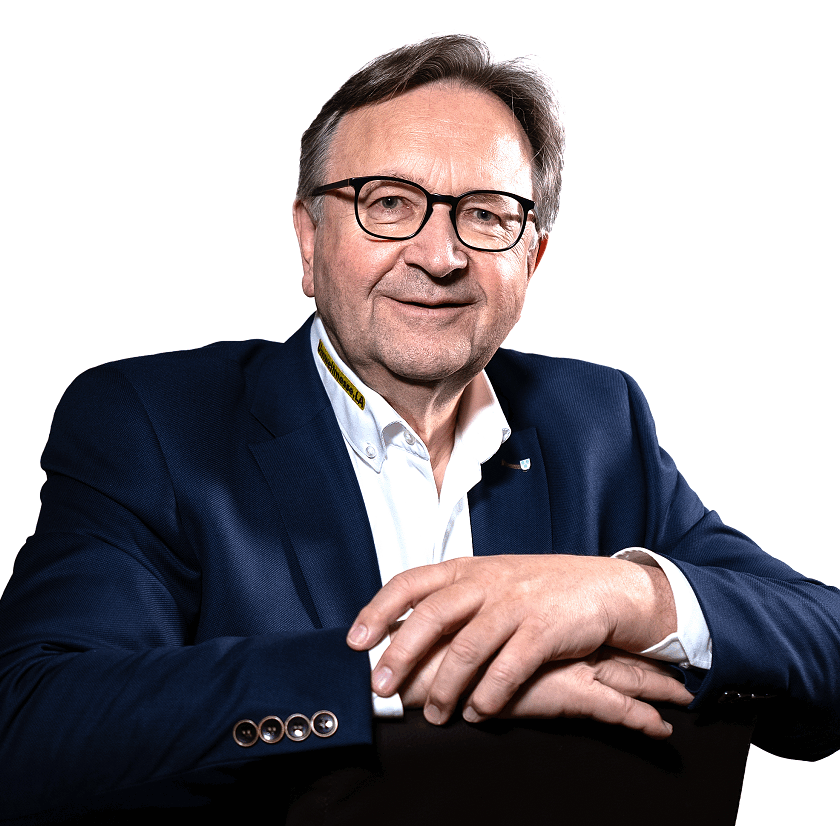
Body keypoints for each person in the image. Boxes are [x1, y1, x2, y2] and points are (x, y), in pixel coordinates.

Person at [0, 34, 838, 823]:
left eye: (487, 214)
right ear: (308, 241)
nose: (440, 257)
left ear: (533, 257)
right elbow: (31, 727)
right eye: (390, 203)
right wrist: (394, 674)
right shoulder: (152, 422)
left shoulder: (594, 423)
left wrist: (627, 597)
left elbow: (824, 650)